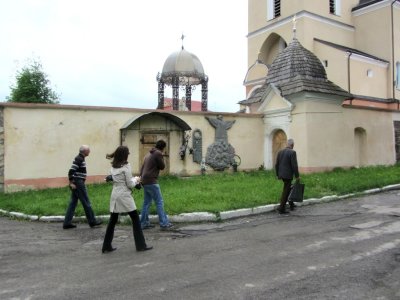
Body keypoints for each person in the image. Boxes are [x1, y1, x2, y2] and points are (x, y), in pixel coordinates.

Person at [102, 146, 152, 253]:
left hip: (115, 195)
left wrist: (132, 180)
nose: (128, 155)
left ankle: (106, 246)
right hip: (124, 195)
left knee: (112, 220)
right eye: (127, 154)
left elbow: (118, 180)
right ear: (125, 155)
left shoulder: (113, 167)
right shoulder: (126, 166)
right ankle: (141, 245)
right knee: (135, 219)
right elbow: (129, 184)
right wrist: (137, 180)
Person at [63, 145, 103, 229]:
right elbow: (71, 171)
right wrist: (71, 183)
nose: (89, 151)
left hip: (77, 182)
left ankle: (67, 223)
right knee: (86, 201)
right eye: (88, 150)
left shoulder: (80, 158)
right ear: (84, 151)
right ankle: (92, 221)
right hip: (78, 183)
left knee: (73, 203)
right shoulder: (79, 159)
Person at [140, 140, 174, 230]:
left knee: (146, 203)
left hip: (144, 180)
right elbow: (162, 167)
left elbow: (142, 168)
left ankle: (143, 223)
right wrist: (162, 157)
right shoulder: (158, 153)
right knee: (159, 202)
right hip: (152, 181)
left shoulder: (148, 154)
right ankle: (164, 223)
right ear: (163, 147)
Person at [275, 139, 300, 214]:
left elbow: (276, 164)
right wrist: (297, 176)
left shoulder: (280, 152)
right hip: (288, 175)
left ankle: (291, 203)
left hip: (281, 174)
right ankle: (281, 208)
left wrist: (277, 174)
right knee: (286, 191)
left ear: (287, 144)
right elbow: (294, 165)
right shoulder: (292, 152)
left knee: (288, 188)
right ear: (292, 145)